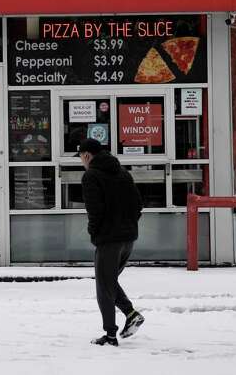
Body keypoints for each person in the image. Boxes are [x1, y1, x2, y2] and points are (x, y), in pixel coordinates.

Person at [76, 138, 145, 346]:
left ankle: (110, 335)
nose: (81, 161)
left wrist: (94, 232)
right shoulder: (123, 173)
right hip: (128, 238)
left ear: (87, 155)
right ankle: (131, 313)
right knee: (109, 281)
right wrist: (129, 226)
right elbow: (138, 204)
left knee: (103, 286)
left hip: (109, 240)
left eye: (80, 157)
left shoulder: (91, 176)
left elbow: (94, 210)